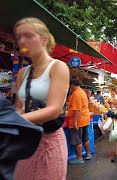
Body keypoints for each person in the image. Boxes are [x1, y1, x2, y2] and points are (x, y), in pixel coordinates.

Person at [14, 17, 69, 179]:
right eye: (19, 37)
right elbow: (20, 105)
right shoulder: (22, 73)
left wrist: (13, 120)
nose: (22, 41)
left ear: (44, 39)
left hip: (49, 143)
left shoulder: (58, 67)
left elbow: (53, 110)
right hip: (26, 142)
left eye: (28, 36)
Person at [68, 77, 92, 164]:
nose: (68, 87)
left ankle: (79, 158)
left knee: (77, 139)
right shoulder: (82, 92)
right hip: (85, 119)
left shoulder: (76, 94)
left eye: (69, 85)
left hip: (79, 120)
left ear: (72, 84)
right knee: (85, 138)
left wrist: (74, 122)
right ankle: (88, 154)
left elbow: (77, 110)